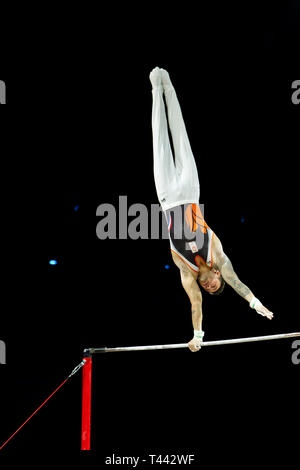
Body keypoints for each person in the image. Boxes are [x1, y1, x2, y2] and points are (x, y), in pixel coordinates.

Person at [150, 67, 273, 352]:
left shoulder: (185, 271)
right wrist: (256, 303)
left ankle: (156, 88)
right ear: (217, 276)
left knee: (159, 140)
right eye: (214, 286)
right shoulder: (217, 254)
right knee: (179, 136)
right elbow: (238, 283)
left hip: (167, 197)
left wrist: (198, 336)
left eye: (209, 290)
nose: (208, 287)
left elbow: (195, 304)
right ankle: (168, 83)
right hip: (191, 192)